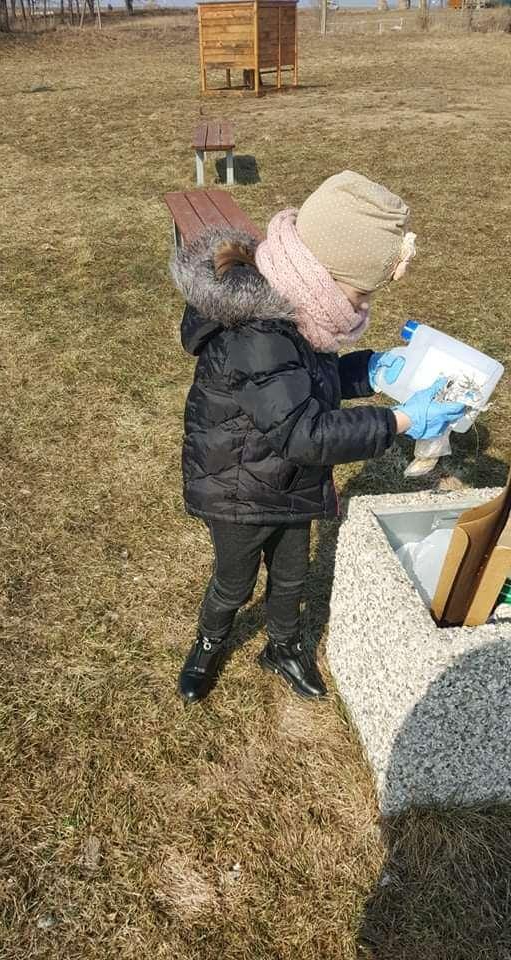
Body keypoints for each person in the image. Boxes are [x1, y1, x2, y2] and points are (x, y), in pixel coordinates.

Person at [170, 171, 465, 704]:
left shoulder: (295, 307)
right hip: (238, 488)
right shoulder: (258, 332)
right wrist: (400, 421)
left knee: (291, 575)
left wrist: (369, 369)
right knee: (234, 582)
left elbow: (307, 383)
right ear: (324, 276)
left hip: (288, 479)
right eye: (361, 291)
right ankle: (208, 643)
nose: (361, 306)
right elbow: (303, 432)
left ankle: (283, 647)